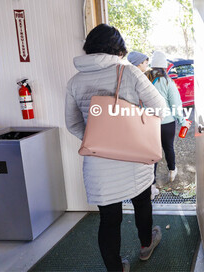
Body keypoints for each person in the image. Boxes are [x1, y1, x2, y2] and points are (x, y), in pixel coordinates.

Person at [65, 24, 167, 272]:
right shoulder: (129, 72)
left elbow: (72, 123)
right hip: (134, 157)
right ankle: (145, 245)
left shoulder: (75, 81)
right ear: (118, 48)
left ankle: (115, 268)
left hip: (98, 164)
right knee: (142, 203)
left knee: (109, 220)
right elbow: (160, 108)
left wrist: (98, 142)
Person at [146, 51, 190, 199]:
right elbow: (176, 105)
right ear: (164, 67)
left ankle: (151, 187)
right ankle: (172, 170)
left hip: (149, 123)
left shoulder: (144, 80)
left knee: (152, 153)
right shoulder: (167, 82)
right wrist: (183, 121)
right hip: (167, 123)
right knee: (168, 147)